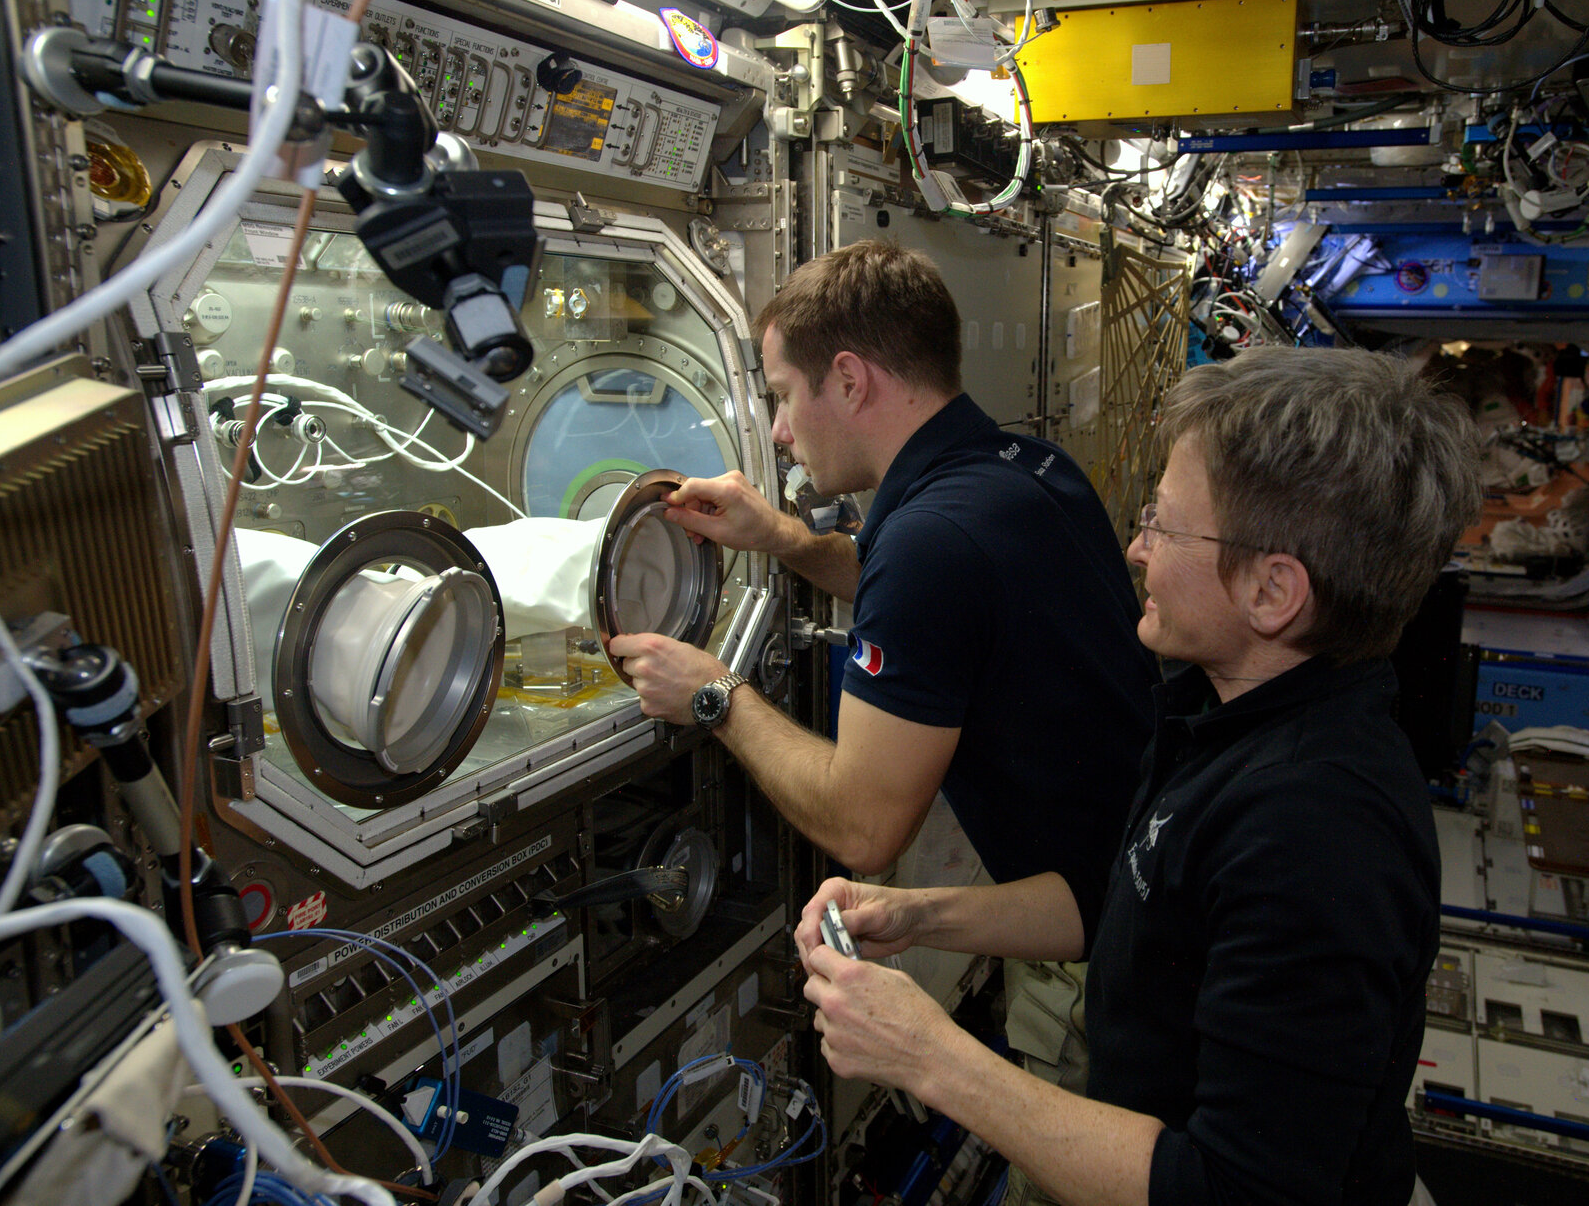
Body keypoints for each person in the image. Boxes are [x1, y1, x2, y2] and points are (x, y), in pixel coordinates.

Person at [795, 347, 1484, 1206]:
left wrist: (928, 1053)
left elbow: (1232, 1190)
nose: (1134, 549)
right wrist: (920, 915)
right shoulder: (1222, 712)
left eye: (1163, 523)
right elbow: (1125, 905)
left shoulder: (1316, 830)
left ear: (1274, 592)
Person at [607, 240, 1156, 1061]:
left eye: (787, 397)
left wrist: (715, 694)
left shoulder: (931, 539)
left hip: (1099, 973)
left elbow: (864, 828)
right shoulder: (1026, 468)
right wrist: (784, 538)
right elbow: (934, 609)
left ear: (852, 379)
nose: (783, 433)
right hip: (1126, 896)